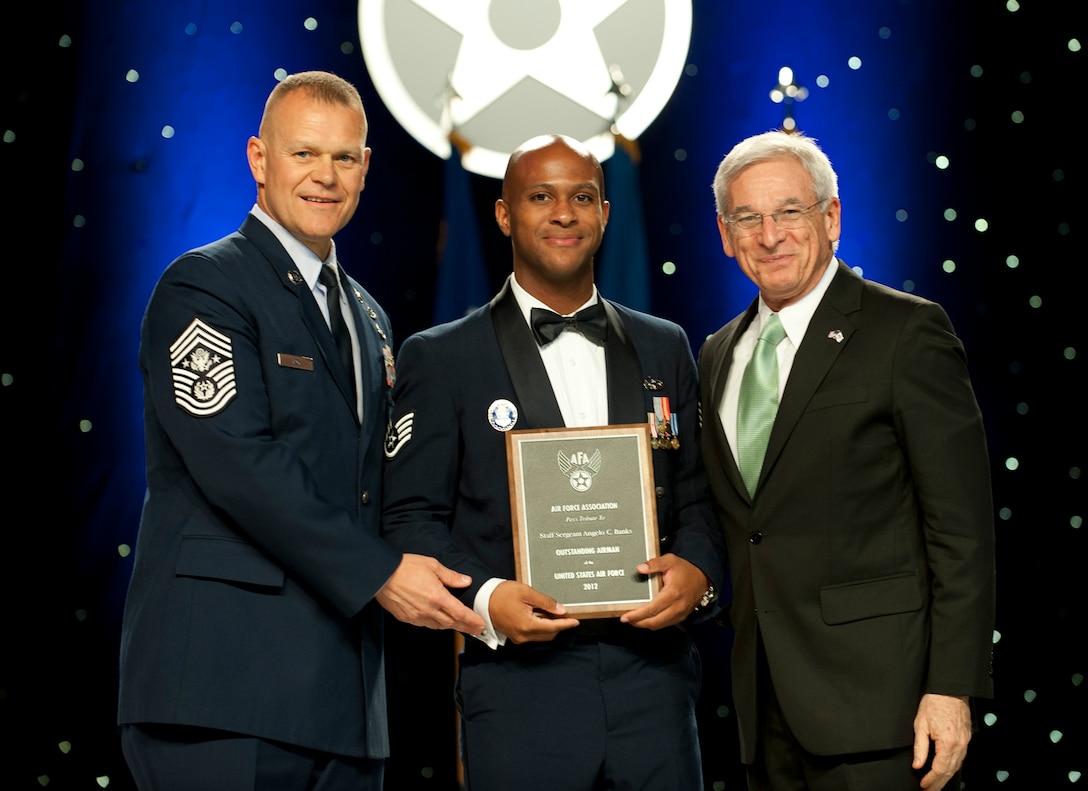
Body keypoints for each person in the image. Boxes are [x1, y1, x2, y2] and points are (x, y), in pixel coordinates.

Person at [116, 70, 485, 791]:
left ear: (366, 167)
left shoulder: (370, 317)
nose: (326, 176)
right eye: (304, 153)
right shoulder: (205, 286)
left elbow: (385, 484)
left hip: (345, 704)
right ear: (259, 159)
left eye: (344, 157)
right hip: (225, 693)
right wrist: (382, 572)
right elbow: (240, 463)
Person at [380, 133, 727, 790]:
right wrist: (485, 599)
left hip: (653, 685)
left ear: (604, 213)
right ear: (506, 214)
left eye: (582, 197)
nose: (564, 213)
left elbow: (697, 496)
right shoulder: (443, 356)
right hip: (519, 690)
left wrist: (697, 571)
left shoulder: (665, 346)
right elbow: (410, 519)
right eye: (541, 196)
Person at [698, 129, 995, 790]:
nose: (769, 233)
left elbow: (961, 533)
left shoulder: (906, 332)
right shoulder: (718, 352)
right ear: (726, 233)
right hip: (763, 705)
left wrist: (952, 688)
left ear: (831, 217)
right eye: (748, 217)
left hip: (882, 710)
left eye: (790, 211)